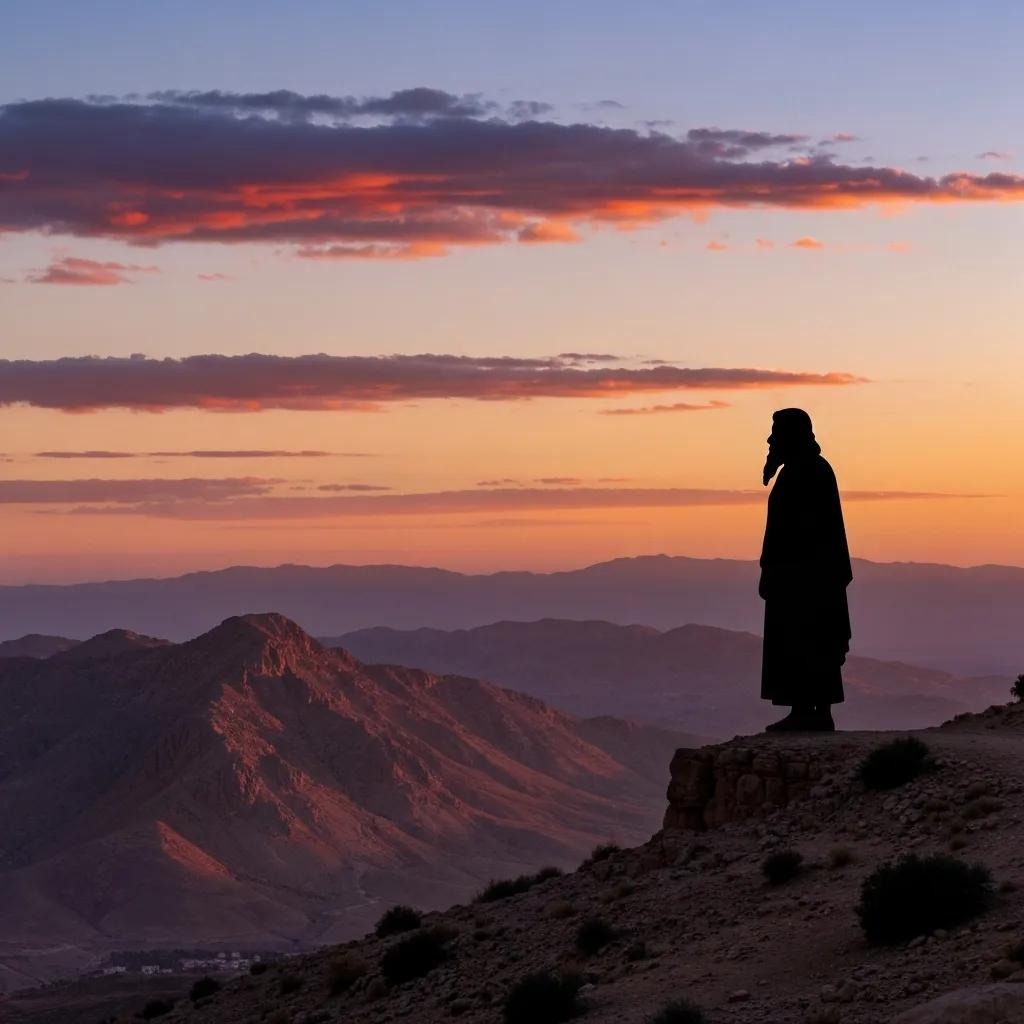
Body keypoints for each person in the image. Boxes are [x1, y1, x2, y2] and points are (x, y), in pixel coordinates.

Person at [759, 408, 852, 732]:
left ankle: (812, 711)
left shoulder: (811, 472)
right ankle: (803, 708)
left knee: (808, 639)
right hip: (797, 579)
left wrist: (779, 570)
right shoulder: (801, 470)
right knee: (799, 640)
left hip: (807, 581)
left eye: (776, 432)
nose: (770, 439)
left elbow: (807, 532)